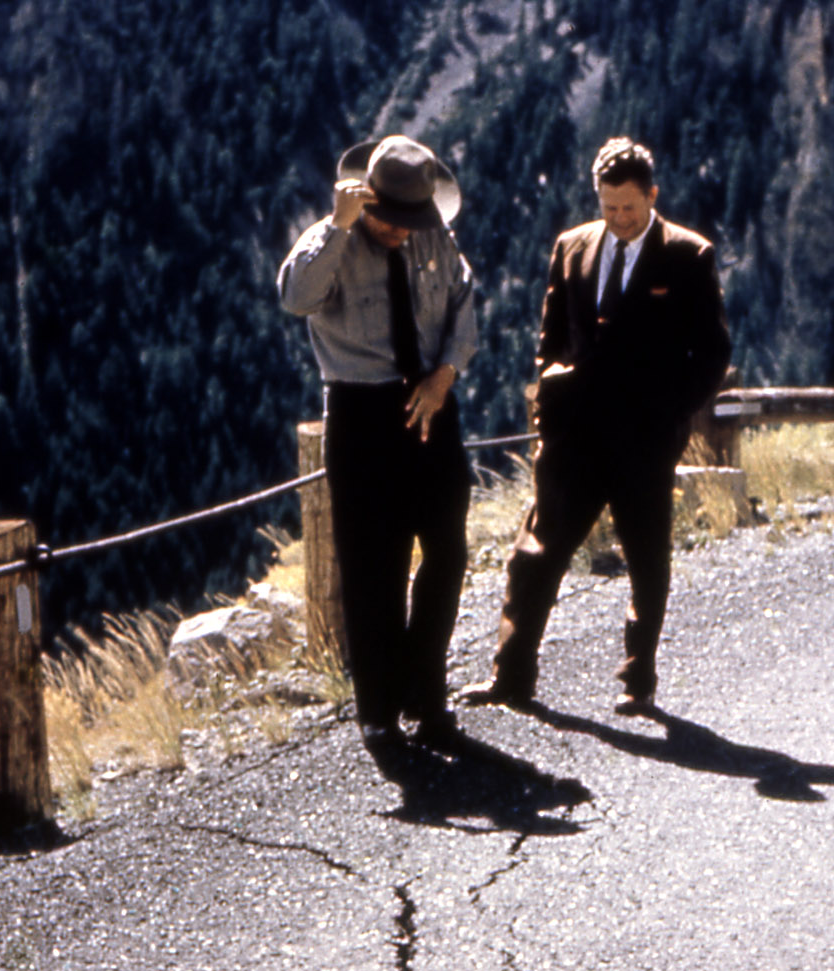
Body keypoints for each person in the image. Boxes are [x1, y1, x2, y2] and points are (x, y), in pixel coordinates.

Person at [461, 138, 732, 717]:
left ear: (652, 196)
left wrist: (670, 414)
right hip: (574, 440)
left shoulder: (689, 255)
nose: (618, 219)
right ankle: (509, 676)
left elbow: (712, 356)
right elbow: (551, 340)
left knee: (646, 557)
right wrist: (548, 411)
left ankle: (638, 677)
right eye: (608, 207)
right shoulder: (572, 247)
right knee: (535, 552)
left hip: (644, 441)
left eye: (629, 208)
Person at [277, 135, 477, 750]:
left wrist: (445, 373)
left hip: (432, 404)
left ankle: (425, 683)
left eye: (410, 221)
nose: (399, 232)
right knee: (374, 569)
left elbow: (464, 304)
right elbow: (295, 297)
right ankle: (380, 712)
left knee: (447, 553)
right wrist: (337, 230)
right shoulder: (330, 240)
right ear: (364, 199)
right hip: (363, 415)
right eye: (389, 219)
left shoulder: (433, 234)